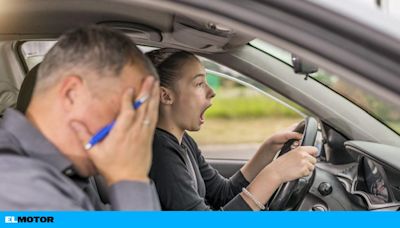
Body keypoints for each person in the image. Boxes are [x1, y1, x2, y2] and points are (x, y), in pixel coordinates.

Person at [0, 25, 161, 210]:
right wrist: (130, 178)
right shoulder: (17, 184)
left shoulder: (64, 173)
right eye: (129, 110)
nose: (136, 129)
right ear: (72, 94)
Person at [147, 48, 317, 210]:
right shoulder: (160, 151)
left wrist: (269, 147)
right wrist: (275, 174)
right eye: (199, 83)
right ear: (166, 96)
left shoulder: (183, 141)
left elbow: (223, 193)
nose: (211, 91)